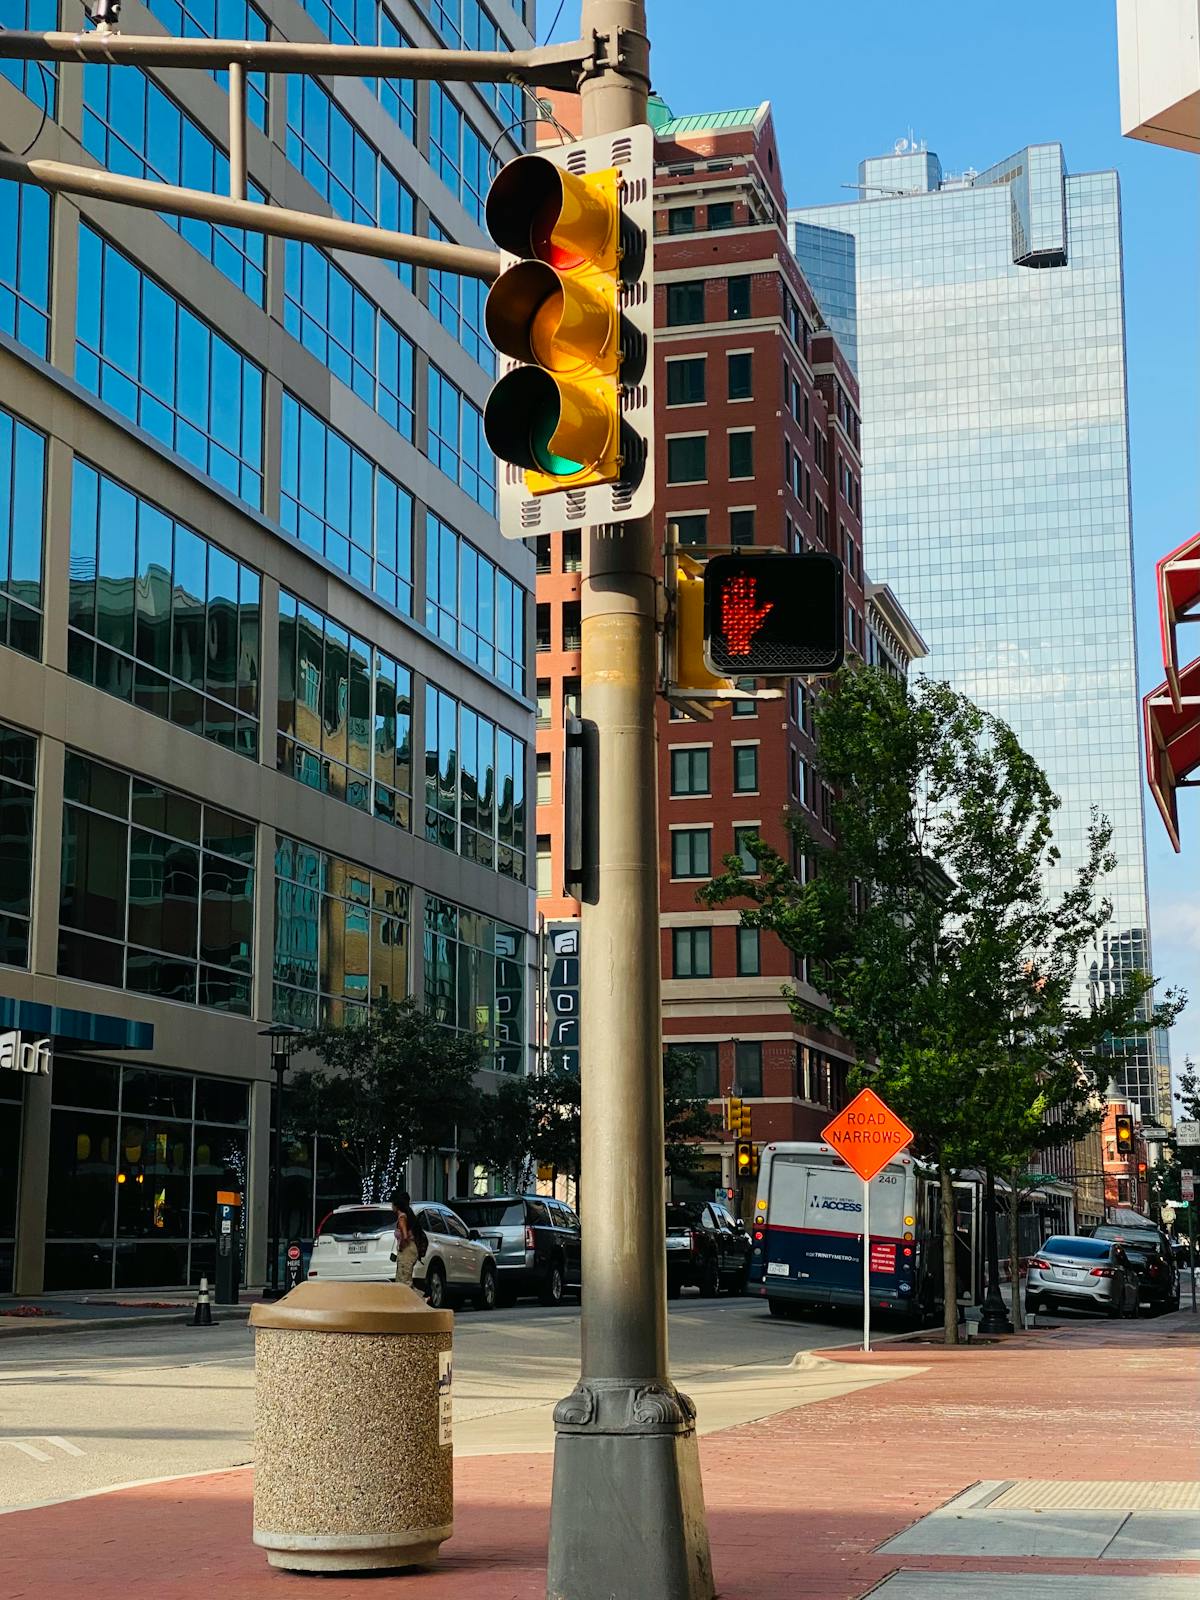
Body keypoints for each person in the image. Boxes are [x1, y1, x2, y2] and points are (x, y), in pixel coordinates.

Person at [390, 1190, 425, 1287]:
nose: (391, 1206)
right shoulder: (408, 1215)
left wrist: (401, 1247)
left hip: (407, 1251)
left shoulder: (402, 1218)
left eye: (392, 1204)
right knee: (402, 1281)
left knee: (404, 1282)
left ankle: (421, 1299)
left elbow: (405, 1236)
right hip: (411, 1250)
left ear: (396, 1205)